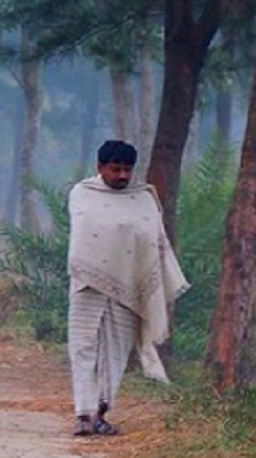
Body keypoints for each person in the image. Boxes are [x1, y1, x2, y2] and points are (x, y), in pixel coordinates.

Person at [66, 139, 189, 437]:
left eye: (127, 170)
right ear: (100, 168)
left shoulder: (144, 198)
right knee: (82, 348)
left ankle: (101, 413)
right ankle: (82, 414)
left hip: (129, 285)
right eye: (115, 169)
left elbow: (152, 240)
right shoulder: (83, 193)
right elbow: (85, 235)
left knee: (116, 352)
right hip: (87, 286)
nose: (122, 176)